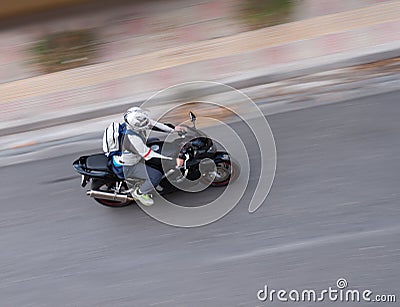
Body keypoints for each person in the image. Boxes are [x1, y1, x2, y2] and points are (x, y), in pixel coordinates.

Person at [112, 107, 184, 206]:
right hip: (128, 165)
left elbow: (154, 125)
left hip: (134, 152)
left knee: (155, 141)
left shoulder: (134, 123)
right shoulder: (132, 139)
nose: (147, 124)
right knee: (155, 176)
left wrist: (173, 129)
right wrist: (173, 161)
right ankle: (139, 193)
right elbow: (150, 155)